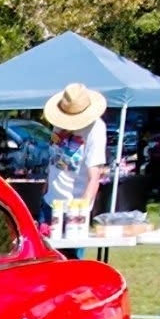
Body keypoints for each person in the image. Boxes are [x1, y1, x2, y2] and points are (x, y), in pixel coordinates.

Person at [43, 82, 108, 257]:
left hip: (74, 210)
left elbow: (94, 177)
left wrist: (81, 213)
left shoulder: (96, 130)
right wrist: (45, 190)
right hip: (50, 204)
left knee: (71, 264)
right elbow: (53, 161)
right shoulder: (58, 123)